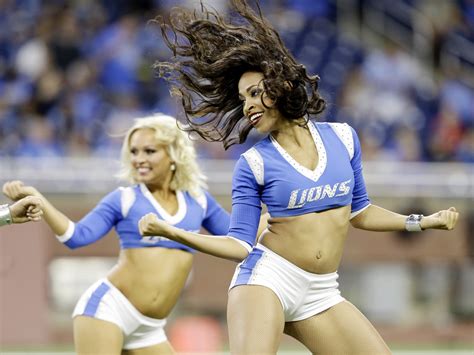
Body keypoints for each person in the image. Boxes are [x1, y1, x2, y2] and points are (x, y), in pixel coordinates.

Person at [139, 1, 460, 354]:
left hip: (322, 290)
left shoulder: (343, 138)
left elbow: (361, 212)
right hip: (267, 280)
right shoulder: (254, 163)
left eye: (255, 92)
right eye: (243, 98)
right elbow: (239, 245)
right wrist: (172, 231)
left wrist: (420, 222)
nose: (247, 106)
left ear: (281, 86)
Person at [3, 114, 259, 355]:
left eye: (150, 151)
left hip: (150, 327)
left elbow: (236, 235)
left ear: (173, 155)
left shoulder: (199, 200)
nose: (138, 159)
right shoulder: (124, 199)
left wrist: (279, 214)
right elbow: (75, 236)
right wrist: (40, 200)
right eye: (134, 151)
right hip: (108, 310)